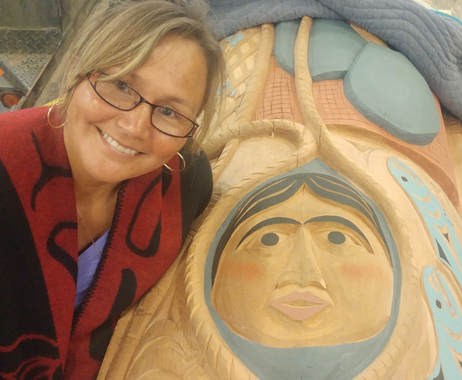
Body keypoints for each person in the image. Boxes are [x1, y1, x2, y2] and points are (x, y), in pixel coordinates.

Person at [0, 0, 224, 378]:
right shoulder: (8, 169)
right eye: (121, 85)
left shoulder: (183, 184)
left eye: (169, 111)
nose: (136, 126)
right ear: (78, 71)